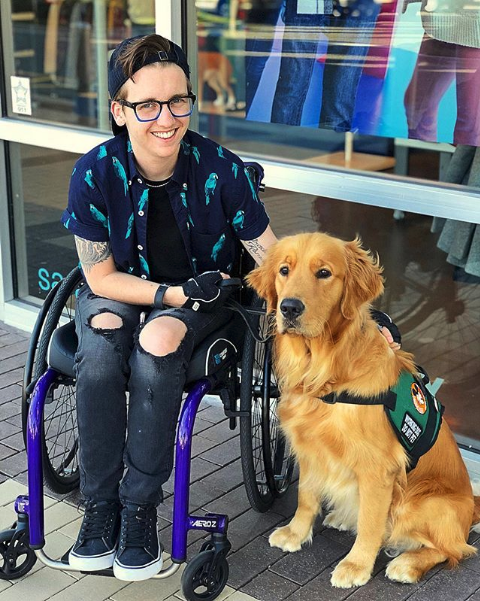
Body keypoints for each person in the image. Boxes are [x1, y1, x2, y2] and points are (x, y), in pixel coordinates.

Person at [61, 33, 399, 583]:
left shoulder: (220, 169)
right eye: (147, 105)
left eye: (178, 101)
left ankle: (139, 506)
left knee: (158, 340)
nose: (166, 118)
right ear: (119, 111)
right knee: (99, 344)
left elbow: (275, 261)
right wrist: (168, 295)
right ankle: (100, 507)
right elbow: (100, 277)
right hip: (123, 291)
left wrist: (364, 317)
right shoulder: (94, 173)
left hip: (205, 300)